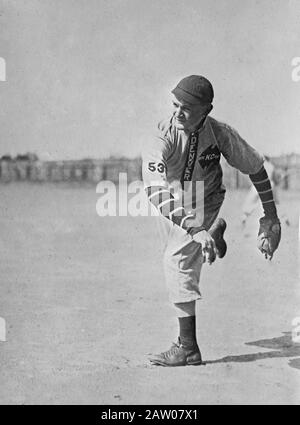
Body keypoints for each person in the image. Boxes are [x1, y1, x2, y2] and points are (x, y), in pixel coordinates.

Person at [142, 75, 281, 367]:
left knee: (176, 259)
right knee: (184, 245)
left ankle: (187, 348)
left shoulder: (219, 132)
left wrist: (271, 217)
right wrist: (196, 229)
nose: (178, 113)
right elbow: (155, 190)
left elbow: (255, 167)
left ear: (206, 109)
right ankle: (211, 238)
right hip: (172, 198)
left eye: (187, 108)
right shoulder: (160, 135)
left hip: (206, 197)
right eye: (175, 105)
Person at [241, 155, 290, 226]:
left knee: (251, 202)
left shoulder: (257, 165)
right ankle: (285, 218)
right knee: (275, 203)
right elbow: (275, 180)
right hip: (269, 185)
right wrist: (281, 178)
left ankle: (244, 217)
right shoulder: (271, 166)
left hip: (257, 185)